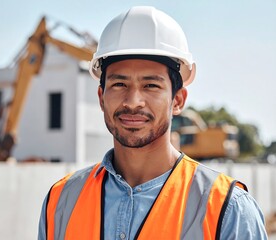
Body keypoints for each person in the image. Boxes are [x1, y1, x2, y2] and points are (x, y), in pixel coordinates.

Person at [38, 6, 267, 240]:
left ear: (177, 100)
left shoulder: (226, 210)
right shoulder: (61, 200)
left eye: (151, 85)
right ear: (101, 97)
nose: (133, 102)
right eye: (119, 84)